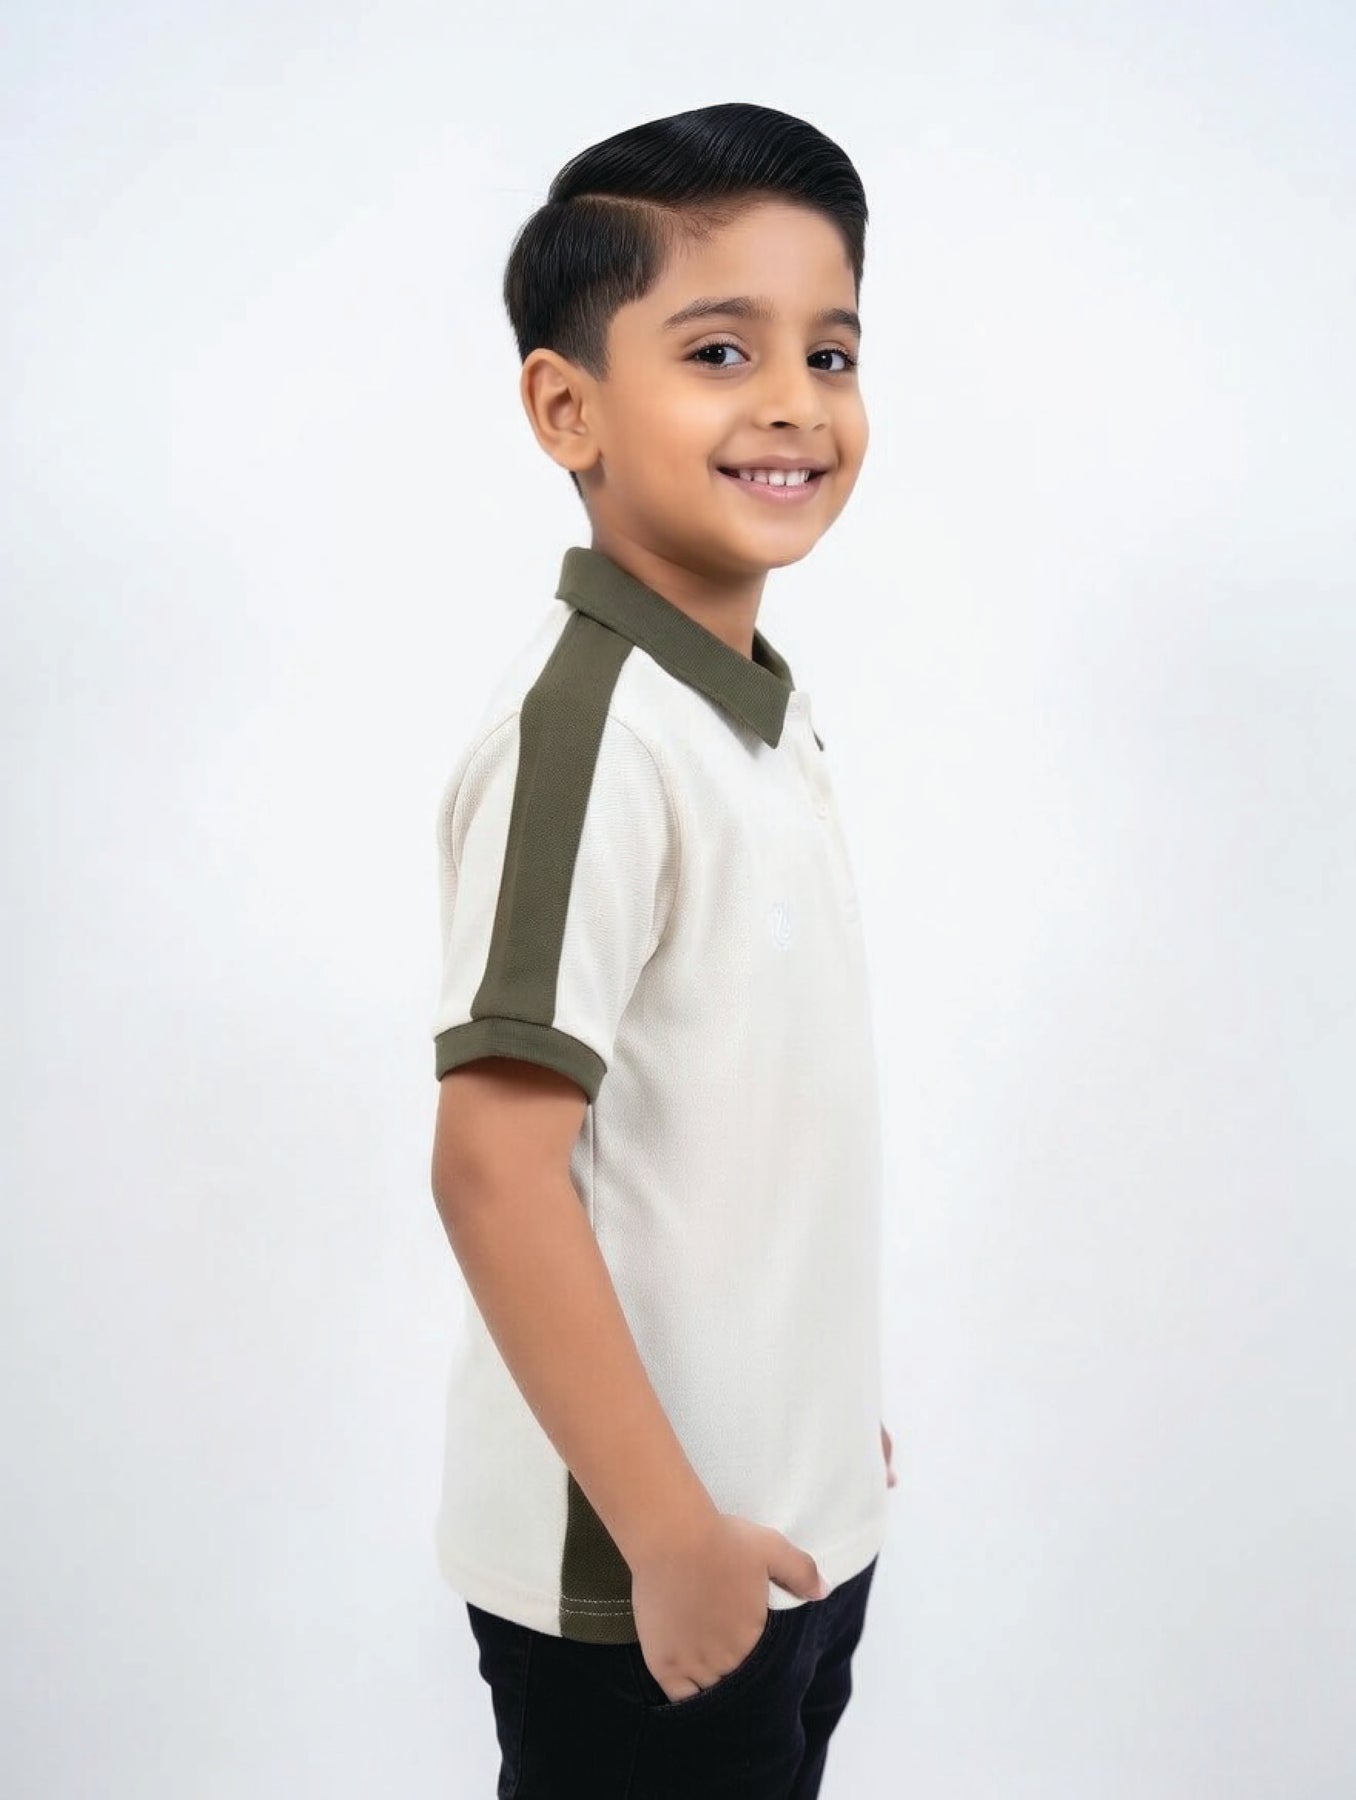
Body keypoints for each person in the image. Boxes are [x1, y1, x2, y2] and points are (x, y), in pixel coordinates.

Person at [428, 99, 898, 1798]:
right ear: (568, 407)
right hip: (644, 1575)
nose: (792, 402)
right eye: (719, 351)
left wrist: (812, 1415)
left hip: (782, 1528)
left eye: (830, 351)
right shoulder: (591, 738)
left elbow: (737, 1130)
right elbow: (493, 1166)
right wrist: (669, 1531)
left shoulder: (758, 718)